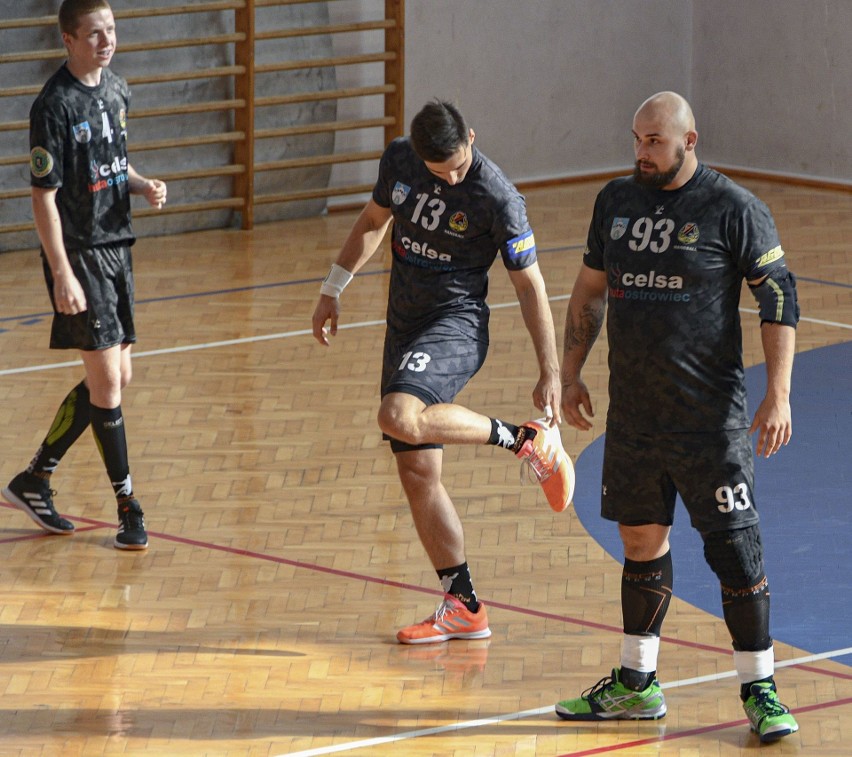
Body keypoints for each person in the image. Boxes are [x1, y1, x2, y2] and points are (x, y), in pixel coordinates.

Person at [555, 91, 800, 742]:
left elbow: (778, 294)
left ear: (689, 141)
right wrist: (569, 370)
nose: (641, 152)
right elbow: (588, 288)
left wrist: (779, 393)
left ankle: (762, 689)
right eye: (636, 139)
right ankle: (637, 684)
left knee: (735, 550)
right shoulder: (616, 202)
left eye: (654, 141)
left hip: (709, 422)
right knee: (640, 542)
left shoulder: (733, 209)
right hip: (633, 419)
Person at [311, 100, 575, 644]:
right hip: (403, 327)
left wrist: (551, 370)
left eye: (459, 164)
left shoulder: (496, 195)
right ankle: (464, 605)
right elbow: (372, 221)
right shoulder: (400, 162)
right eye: (442, 172)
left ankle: (527, 441)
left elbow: (530, 285)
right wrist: (332, 288)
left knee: (397, 414)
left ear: (471, 136)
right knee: (417, 474)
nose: (453, 176)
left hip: (456, 325)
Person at [2, 0, 167, 550]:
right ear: (68, 41)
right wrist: (61, 273)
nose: (106, 41)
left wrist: (140, 184)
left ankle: (35, 477)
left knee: (118, 379)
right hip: (81, 255)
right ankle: (128, 506)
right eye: (93, 34)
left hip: (119, 248)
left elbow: (112, 160)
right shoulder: (52, 106)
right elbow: (43, 199)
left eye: (111, 30)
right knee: (107, 385)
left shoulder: (117, 90)